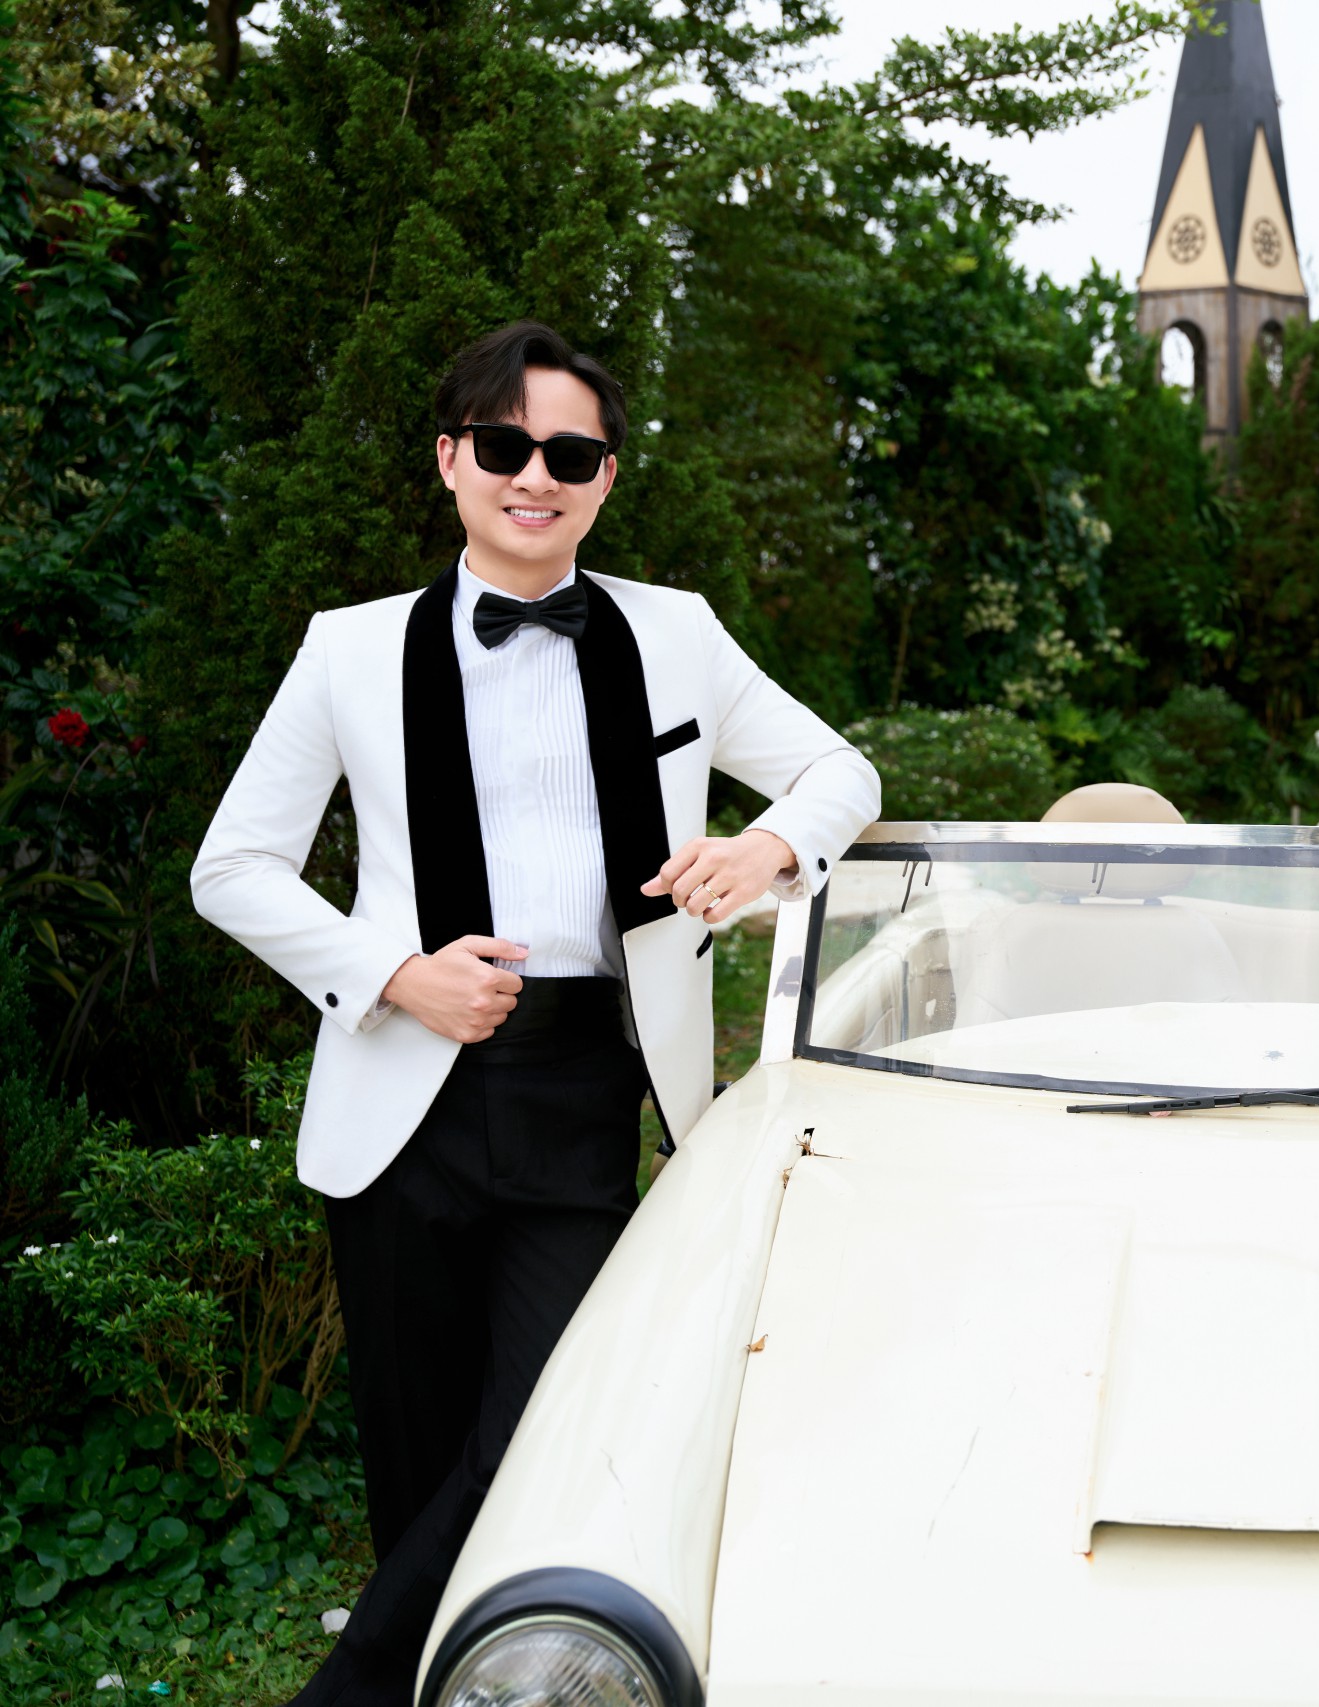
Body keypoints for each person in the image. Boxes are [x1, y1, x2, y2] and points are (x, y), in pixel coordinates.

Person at [190, 320, 879, 1705]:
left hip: (588, 1091)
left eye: (569, 454)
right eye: (505, 446)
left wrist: (768, 847)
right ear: (452, 459)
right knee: (418, 1472)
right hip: (404, 1095)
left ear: (605, 476)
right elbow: (233, 866)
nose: (534, 476)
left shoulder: (675, 633)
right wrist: (394, 972)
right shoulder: (347, 650)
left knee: (538, 1440)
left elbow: (839, 770)